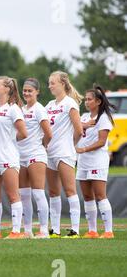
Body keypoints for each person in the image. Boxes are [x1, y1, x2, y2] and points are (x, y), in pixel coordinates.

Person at [0, 76, 28, 240]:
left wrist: (8, 141)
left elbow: (23, 133)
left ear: (7, 89)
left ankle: (16, 232)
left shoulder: (13, 109)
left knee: (12, 194)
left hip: (7, 157)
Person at [46, 71, 83, 239]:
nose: (50, 86)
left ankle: (75, 230)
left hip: (64, 152)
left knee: (70, 190)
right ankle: (55, 229)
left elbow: (79, 130)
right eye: (49, 83)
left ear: (62, 84)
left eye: (53, 82)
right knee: (53, 192)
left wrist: (70, 146)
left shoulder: (70, 103)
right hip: (49, 153)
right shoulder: (49, 105)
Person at [76, 85, 115, 239]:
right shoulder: (84, 116)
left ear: (98, 101)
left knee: (100, 195)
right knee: (87, 196)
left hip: (97, 160)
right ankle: (92, 230)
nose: (86, 102)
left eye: (89, 99)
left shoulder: (104, 117)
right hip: (83, 161)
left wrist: (84, 149)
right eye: (86, 99)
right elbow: (76, 133)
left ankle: (108, 231)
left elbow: (101, 141)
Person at [18, 78, 52, 239]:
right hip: (20, 155)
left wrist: (41, 146)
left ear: (37, 92)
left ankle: (44, 230)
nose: (26, 93)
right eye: (24, 90)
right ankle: (27, 231)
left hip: (35, 154)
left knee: (38, 193)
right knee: (24, 194)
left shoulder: (39, 109)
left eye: (30, 90)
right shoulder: (21, 109)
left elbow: (49, 133)